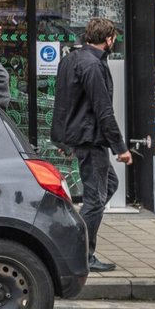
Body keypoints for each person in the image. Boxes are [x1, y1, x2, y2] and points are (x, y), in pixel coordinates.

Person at [50, 17, 133, 273]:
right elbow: (103, 110)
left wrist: (60, 138)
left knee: (109, 185)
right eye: (113, 38)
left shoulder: (70, 59)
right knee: (96, 199)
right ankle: (82, 255)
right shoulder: (93, 66)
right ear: (109, 39)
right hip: (90, 139)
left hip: (78, 137)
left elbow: (61, 101)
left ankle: (78, 228)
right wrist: (121, 148)